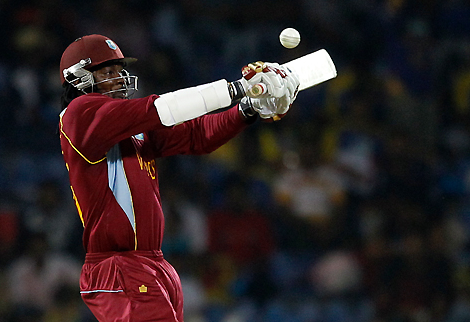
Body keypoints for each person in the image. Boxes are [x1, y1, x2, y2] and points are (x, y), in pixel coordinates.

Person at [57, 34, 299, 321]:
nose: (120, 78)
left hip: (150, 263)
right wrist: (239, 88)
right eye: (108, 71)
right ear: (78, 77)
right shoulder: (79, 113)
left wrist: (247, 109)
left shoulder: (126, 127)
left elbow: (196, 136)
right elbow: (161, 108)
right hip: (119, 264)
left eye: (120, 70)